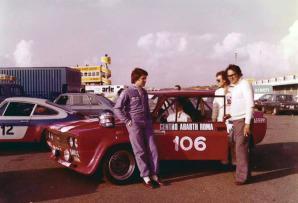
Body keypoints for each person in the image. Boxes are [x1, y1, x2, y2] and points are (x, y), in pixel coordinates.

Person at [114, 68, 165, 189]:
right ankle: (145, 177)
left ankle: (154, 175)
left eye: (145, 78)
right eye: (143, 78)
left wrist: (149, 120)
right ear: (136, 79)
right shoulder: (127, 92)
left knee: (153, 149)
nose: (145, 81)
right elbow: (117, 109)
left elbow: (147, 108)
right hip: (135, 124)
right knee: (140, 150)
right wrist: (127, 121)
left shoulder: (144, 92)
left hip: (146, 123)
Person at [224, 64, 254, 186]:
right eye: (229, 76)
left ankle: (242, 178)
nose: (231, 77)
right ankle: (247, 175)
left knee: (240, 149)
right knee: (241, 149)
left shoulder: (245, 84)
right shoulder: (235, 87)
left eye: (233, 75)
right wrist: (230, 114)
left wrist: (247, 124)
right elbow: (238, 105)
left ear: (239, 74)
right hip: (237, 120)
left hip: (243, 121)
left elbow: (250, 104)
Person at [212, 71, 235, 165]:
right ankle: (224, 161)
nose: (217, 82)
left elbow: (237, 105)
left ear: (225, 80)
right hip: (221, 121)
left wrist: (231, 114)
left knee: (233, 142)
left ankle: (235, 162)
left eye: (219, 80)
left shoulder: (234, 90)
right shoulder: (217, 92)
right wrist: (213, 121)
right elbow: (215, 107)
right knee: (222, 141)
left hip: (232, 119)